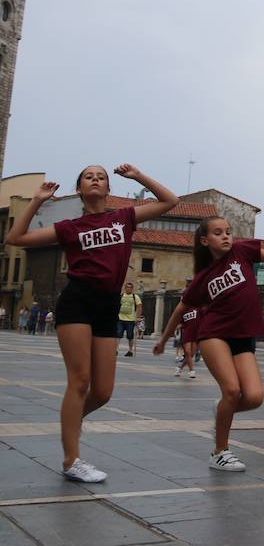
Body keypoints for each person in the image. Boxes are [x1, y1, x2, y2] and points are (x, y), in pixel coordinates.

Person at [5, 165, 178, 483]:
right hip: (78, 301)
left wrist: (138, 176)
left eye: (101, 176)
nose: (95, 179)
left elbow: (170, 201)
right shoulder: (70, 227)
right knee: (80, 382)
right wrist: (37, 201)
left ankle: (70, 423)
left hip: (107, 305)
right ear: (81, 189)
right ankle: (72, 459)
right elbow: (16, 237)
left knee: (103, 391)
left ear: (108, 188)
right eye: (89, 177)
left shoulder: (124, 217)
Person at [154, 216, 264, 471]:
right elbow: (181, 309)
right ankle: (219, 451)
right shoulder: (203, 277)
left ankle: (222, 409)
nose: (226, 236)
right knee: (232, 390)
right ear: (205, 241)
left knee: (255, 397)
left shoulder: (242, 251)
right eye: (218, 232)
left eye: (228, 231)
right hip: (214, 334)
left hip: (241, 335)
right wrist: (163, 339)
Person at [117, 282, 142, 357]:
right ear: (125, 288)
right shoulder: (121, 296)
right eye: (127, 287)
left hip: (131, 320)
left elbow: (139, 306)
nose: (129, 289)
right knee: (118, 334)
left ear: (132, 289)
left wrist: (138, 317)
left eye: (130, 288)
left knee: (130, 336)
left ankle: (130, 350)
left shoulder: (135, 297)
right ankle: (116, 349)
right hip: (120, 318)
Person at [175, 304, 200, 379]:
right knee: (188, 352)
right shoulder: (183, 311)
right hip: (187, 334)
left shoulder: (199, 309)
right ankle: (191, 370)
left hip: (196, 334)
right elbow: (181, 323)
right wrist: (177, 327)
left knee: (191, 354)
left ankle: (180, 368)